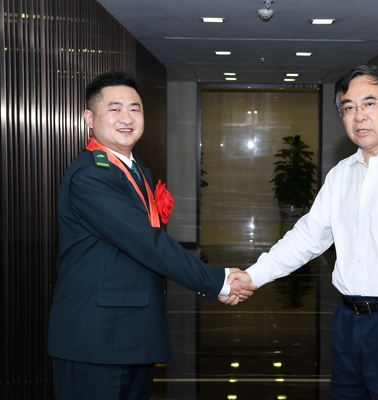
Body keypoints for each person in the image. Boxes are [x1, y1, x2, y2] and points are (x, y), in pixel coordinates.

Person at [234, 64, 378, 399]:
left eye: (369, 103)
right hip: (347, 322)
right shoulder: (342, 174)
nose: (359, 116)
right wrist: (252, 276)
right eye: (348, 107)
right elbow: (308, 236)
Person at [48, 69, 255, 400]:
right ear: (89, 118)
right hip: (95, 339)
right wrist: (216, 281)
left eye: (135, 109)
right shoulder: (91, 176)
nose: (126, 117)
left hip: (133, 332)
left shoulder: (136, 169)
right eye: (114, 109)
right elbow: (147, 243)